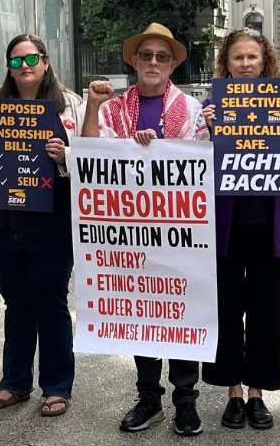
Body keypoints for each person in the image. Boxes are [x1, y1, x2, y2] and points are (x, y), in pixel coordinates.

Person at [82, 22, 210, 436]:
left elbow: (204, 161)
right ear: (134, 61)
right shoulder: (113, 110)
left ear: (172, 64)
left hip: (181, 232)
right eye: (146, 56)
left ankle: (186, 402)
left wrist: (158, 149)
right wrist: (121, 138)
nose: (153, 62)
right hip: (131, 231)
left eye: (162, 56)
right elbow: (90, 156)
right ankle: (149, 398)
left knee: (182, 313)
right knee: (142, 313)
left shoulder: (191, 110)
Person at [0, 34, 85, 417]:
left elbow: (92, 164)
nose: (24, 67)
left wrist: (65, 156)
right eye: (15, 61)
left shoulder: (71, 107)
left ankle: (57, 385)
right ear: (8, 67)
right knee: (16, 305)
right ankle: (14, 383)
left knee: (50, 305)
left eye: (32, 59)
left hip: (52, 227)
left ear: (46, 62)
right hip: (1, 225)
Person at [198, 27, 280, 431]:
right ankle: (233, 392)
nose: (244, 64)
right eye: (237, 58)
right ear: (226, 63)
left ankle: (258, 393)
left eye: (252, 58)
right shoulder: (210, 106)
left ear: (264, 62)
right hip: (223, 227)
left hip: (267, 224)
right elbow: (194, 167)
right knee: (226, 309)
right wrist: (205, 131)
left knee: (265, 310)